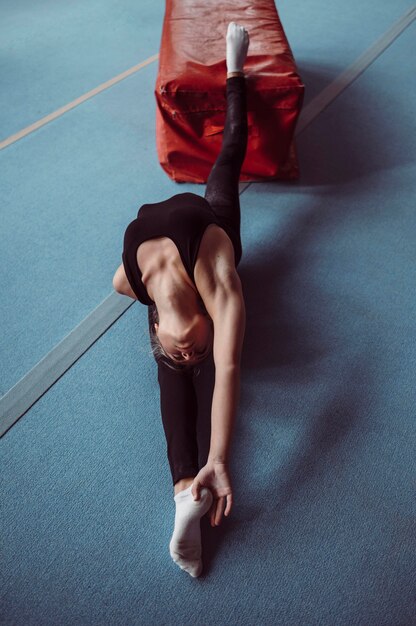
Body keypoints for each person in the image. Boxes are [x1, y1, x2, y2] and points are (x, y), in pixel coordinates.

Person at [112, 22, 249, 577]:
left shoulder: (221, 286)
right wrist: (206, 467)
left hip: (210, 226)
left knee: (229, 153)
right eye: (191, 355)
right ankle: (183, 497)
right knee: (172, 373)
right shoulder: (134, 287)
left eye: (192, 350)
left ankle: (235, 67)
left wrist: (221, 456)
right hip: (166, 251)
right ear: (154, 320)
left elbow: (230, 365)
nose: (196, 359)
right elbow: (182, 354)